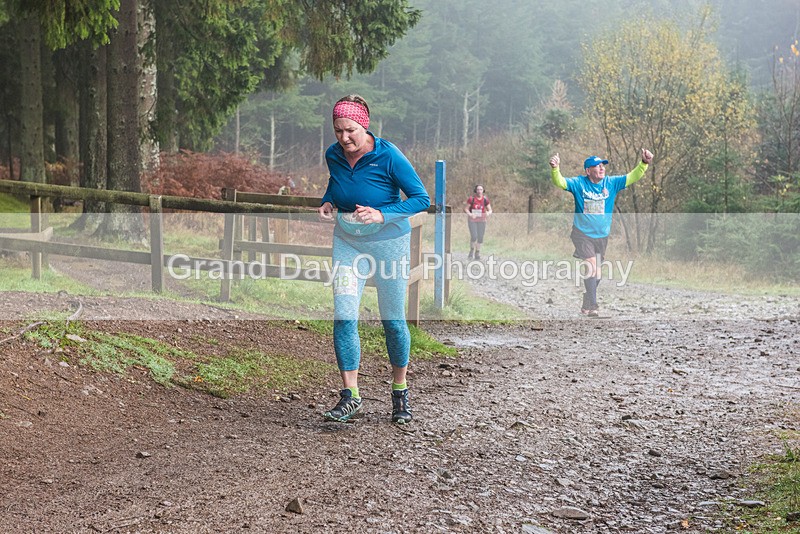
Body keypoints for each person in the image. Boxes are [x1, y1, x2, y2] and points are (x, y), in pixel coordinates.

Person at [318, 95, 430, 424]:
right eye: (338, 131)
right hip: (348, 244)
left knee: (393, 321)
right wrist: (327, 200)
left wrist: (383, 213)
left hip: (389, 245)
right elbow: (337, 183)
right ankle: (350, 396)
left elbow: (421, 199)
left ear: (364, 126)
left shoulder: (389, 156)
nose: (344, 138)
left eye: (350, 130)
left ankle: (400, 391)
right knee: (344, 315)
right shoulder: (333, 154)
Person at [549, 149, 653, 316]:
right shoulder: (579, 184)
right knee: (591, 265)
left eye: (603, 165)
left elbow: (632, 177)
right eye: (597, 166)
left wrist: (644, 163)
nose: (602, 168)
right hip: (582, 234)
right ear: (588, 171)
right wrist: (555, 169)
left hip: (602, 236)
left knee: (597, 274)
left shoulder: (611, 183)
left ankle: (587, 301)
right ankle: (594, 306)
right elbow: (560, 182)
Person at [464, 185, 492, 260]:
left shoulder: (485, 199)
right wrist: (470, 214)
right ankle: (471, 251)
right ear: (475, 190)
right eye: (478, 189)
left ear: (483, 191)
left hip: (482, 220)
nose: (479, 191)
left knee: (480, 237)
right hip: (472, 220)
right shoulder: (472, 199)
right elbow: (466, 209)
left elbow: (490, 210)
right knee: (474, 236)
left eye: (481, 189)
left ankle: (477, 253)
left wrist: (488, 213)